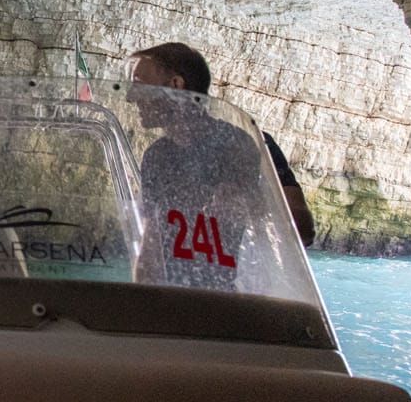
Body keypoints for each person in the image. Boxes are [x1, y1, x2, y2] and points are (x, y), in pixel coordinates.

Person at [128, 43, 317, 250]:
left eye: (139, 85)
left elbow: (304, 232)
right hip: (172, 282)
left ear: (175, 85)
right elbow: (151, 247)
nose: (130, 97)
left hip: (236, 280)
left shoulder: (252, 144)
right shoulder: (156, 155)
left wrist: (252, 203)